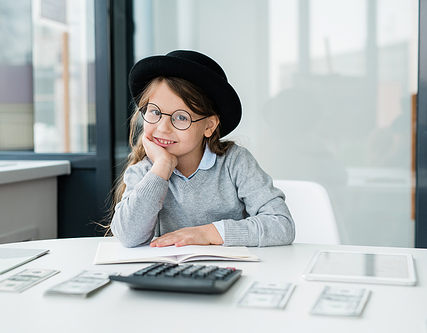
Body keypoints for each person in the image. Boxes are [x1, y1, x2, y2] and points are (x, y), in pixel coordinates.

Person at [109, 50, 295, 248]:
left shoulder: (235, 162)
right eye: (155, 112)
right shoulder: (146, 171)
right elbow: (128, 237)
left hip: (230, 270)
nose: (162, 128)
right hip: (168, 272)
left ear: (209, 126)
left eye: (181, 117)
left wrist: (206, 233)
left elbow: (281, 225)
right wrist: (162, 167)